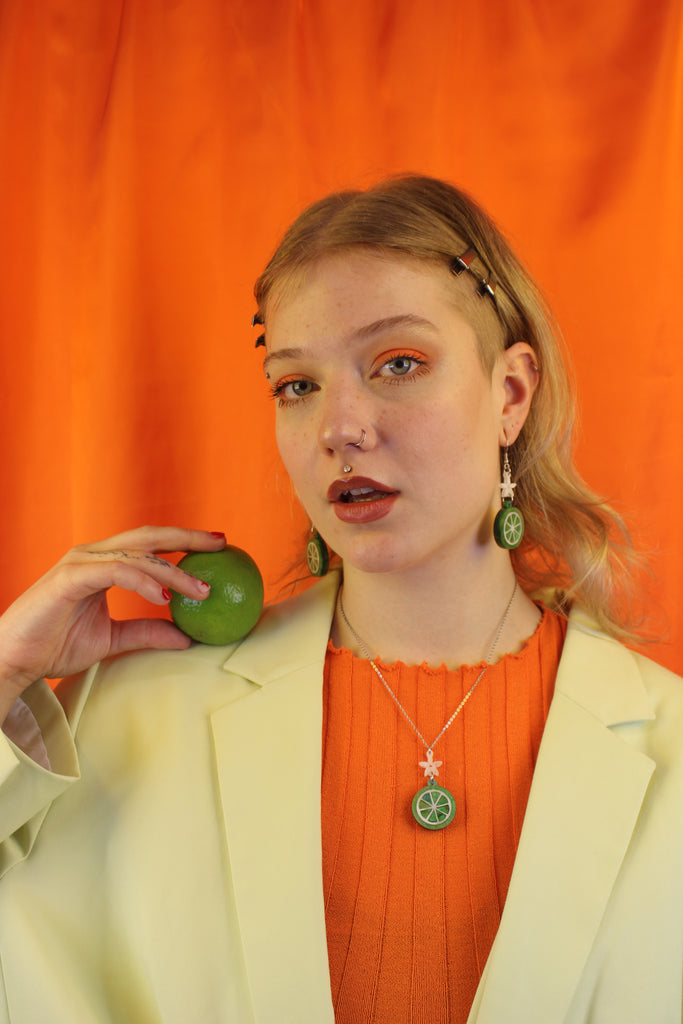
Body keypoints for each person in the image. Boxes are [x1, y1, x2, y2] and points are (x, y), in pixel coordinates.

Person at [0, 175, 681, 1024]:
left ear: (509, 393)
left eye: (398, 364)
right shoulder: (131, 714)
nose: (339, 426)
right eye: (296, 385)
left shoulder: (671, 744)